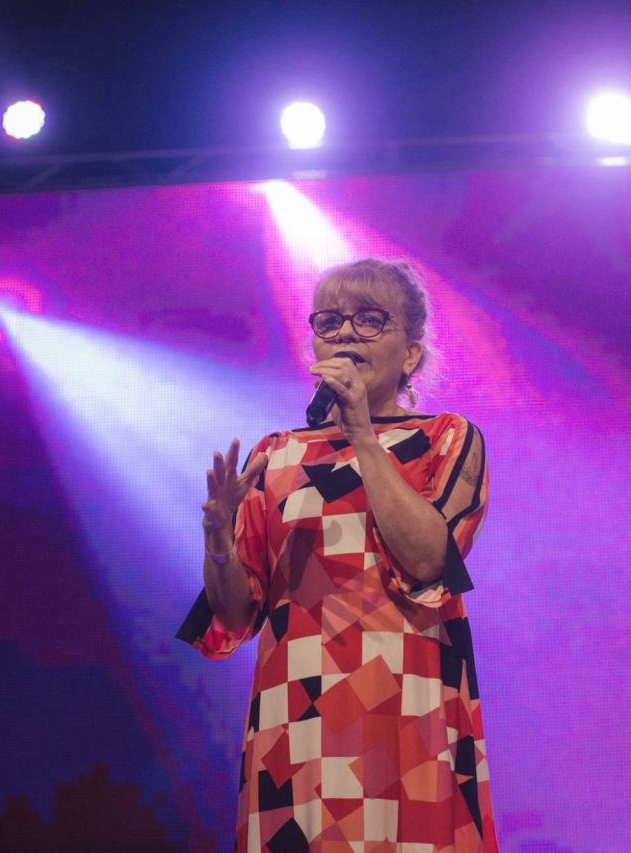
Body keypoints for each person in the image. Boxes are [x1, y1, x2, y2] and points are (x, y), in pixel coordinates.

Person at [177, 258, 497, 851]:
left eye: (370, 319)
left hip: (405, 698)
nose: (346, 332)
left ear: (411, 355)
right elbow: (234, 614)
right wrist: (218, 541)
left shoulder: (445, 437)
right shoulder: (277, 454)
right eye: (329, 321)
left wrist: (362, 437)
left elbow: (429, 563)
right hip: (296, 705)